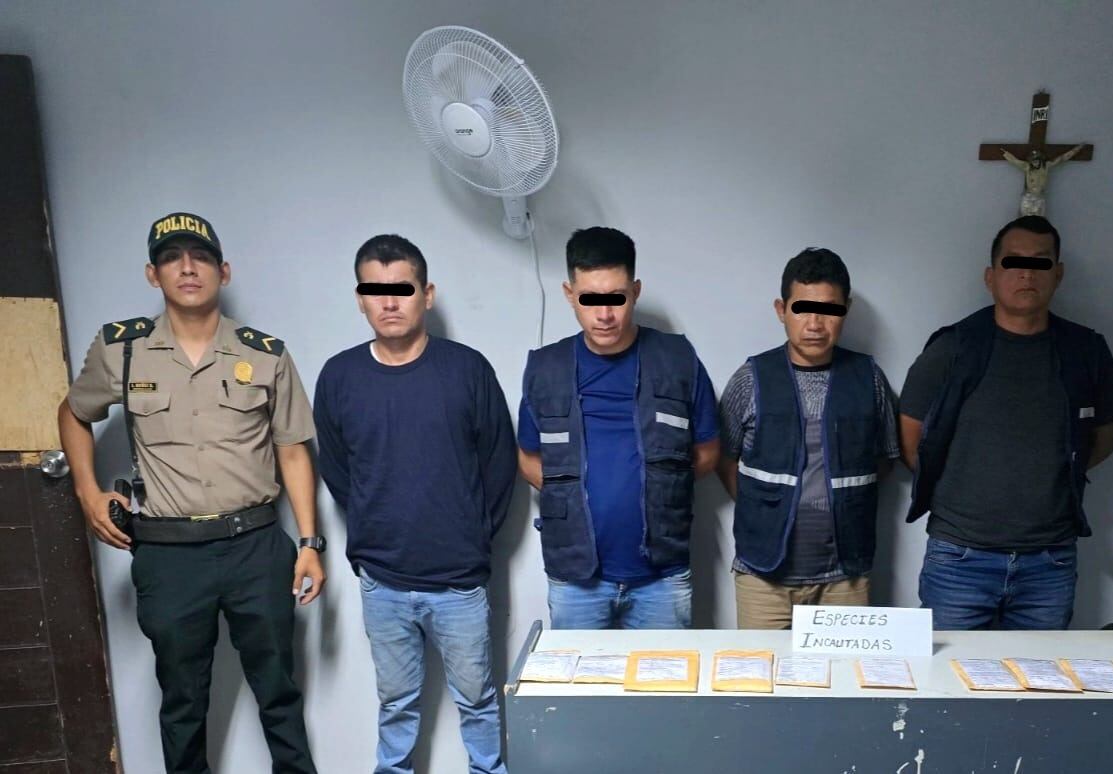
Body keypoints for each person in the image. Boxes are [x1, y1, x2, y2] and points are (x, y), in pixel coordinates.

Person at [57, 212, 323, 774]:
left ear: (223, 272)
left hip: (255, 547)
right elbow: (74, 412)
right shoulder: (122, 349)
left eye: (200, 257)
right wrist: (86, 491)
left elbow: (294, 450)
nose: (187, 268)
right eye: (172, 258)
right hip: (169, 554)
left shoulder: (265, 354)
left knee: (279, 691)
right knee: (182, 702)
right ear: (152, 274)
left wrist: (308, 543)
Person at [313, 235, 514, 774]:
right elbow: (338, 472)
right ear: (360, 298)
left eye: (402, 289)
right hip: (383, 580)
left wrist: (471, 535)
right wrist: (372, 536)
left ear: (427, 294)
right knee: (396, 705)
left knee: (478, 702)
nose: (389, 302)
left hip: (459, 582)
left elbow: (499, 466)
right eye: (375, 290)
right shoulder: (339, 376)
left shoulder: (468, 370)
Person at [898, 215, 1113, 630]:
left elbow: (1104, 438)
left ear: (1058, 274)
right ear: (991, 276)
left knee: (1039, 672)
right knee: (947, 670)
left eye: (1040, 263)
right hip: (959, 558)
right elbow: (912, 439)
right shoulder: (951, 348)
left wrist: (1049, 474)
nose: (1027, 273)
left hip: (1050, 561)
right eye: (1014, 262)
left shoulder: (1086, 351)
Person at [517, 227, 719, 629]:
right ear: (570, 294)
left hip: (661, 578)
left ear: (636, 291)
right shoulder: (545, 368)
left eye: (617, 298)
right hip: (576, 579)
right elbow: (527, 457)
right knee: (577, 675)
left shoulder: (678, 359)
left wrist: (658, 487)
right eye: (590, 299)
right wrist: (572, 495)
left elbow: (708, 452)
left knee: (665, 674)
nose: (605, 314)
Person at [717, 248, 900, 629]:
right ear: (781, 310)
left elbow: (885, 458)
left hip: (845, 580)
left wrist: (842, 502)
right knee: (761, 669)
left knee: (845, 671)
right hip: (763, 579)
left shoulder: (869, 379)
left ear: (846, 310)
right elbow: (724, 457)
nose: (815, 323)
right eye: (803, 309)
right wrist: (769, 507)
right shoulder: (750, 379)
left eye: (829, 310)